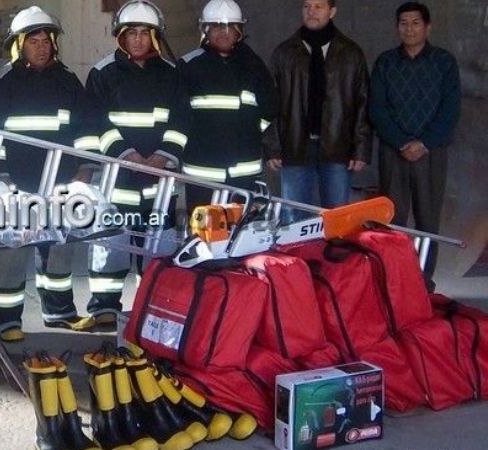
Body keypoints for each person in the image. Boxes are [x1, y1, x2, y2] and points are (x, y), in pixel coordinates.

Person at [0, 6, 96, 335]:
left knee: (60, 249)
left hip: (62, 182)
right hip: (18, 184)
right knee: (13, 252)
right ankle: (7, 320)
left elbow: (85, 130)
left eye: (47, 40)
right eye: (34, 41)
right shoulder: (3, 82)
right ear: (19, 45)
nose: (42, 46)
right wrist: (3, 180)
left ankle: (59, 312)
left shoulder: (68, 80)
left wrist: (84, 172)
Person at [85, 0, 190, 324]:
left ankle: (154, 306)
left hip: (160, 181)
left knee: (160, 245)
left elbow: (182, 120)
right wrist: (126, 155)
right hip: (119, 181)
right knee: (111, 244)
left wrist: (164, 156)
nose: (140, 39)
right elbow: (94, 122)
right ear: (121, 36)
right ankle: (104, 306)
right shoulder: (102, 74)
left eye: (146, 33)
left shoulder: (172, 75)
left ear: (154, 36)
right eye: (133, 33)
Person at [370, 1, 461, 278]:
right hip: (393, 150)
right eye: (404, 23)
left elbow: (450, 110)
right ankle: (396, 280)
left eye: (416, 23)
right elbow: (377, 109)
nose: (409, 29)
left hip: (430, 153)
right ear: (397, 27)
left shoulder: (444, 62)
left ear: (427, 27)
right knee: (392, 220)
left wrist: (423, 143)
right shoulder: (386, 62)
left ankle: (424, 283)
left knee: (427, 220)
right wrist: (400, 142)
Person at [265, 0, 371, 221]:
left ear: (332, 11)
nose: (311, 11)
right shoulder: (285, 53)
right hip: (294, 146)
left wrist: (360, 148)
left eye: (318, 6)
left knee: (337, 219)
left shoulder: (350, 53)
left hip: (337, 146)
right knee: (292, 218)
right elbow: (270, 103)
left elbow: (363, 102)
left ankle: (332, 257)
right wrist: (272, 146)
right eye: (307, 6)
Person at [178, 0, 276, 212]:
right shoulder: (188, 66)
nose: (223, 32)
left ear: (239, 30)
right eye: (216, 26)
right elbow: (178, 115)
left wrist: (250, 132)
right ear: (205, 29)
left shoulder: (253, 64)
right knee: (203, 236)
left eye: (230, 26)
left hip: (244, 172)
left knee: (242, 236)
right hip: (202, 173)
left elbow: (270, 106)